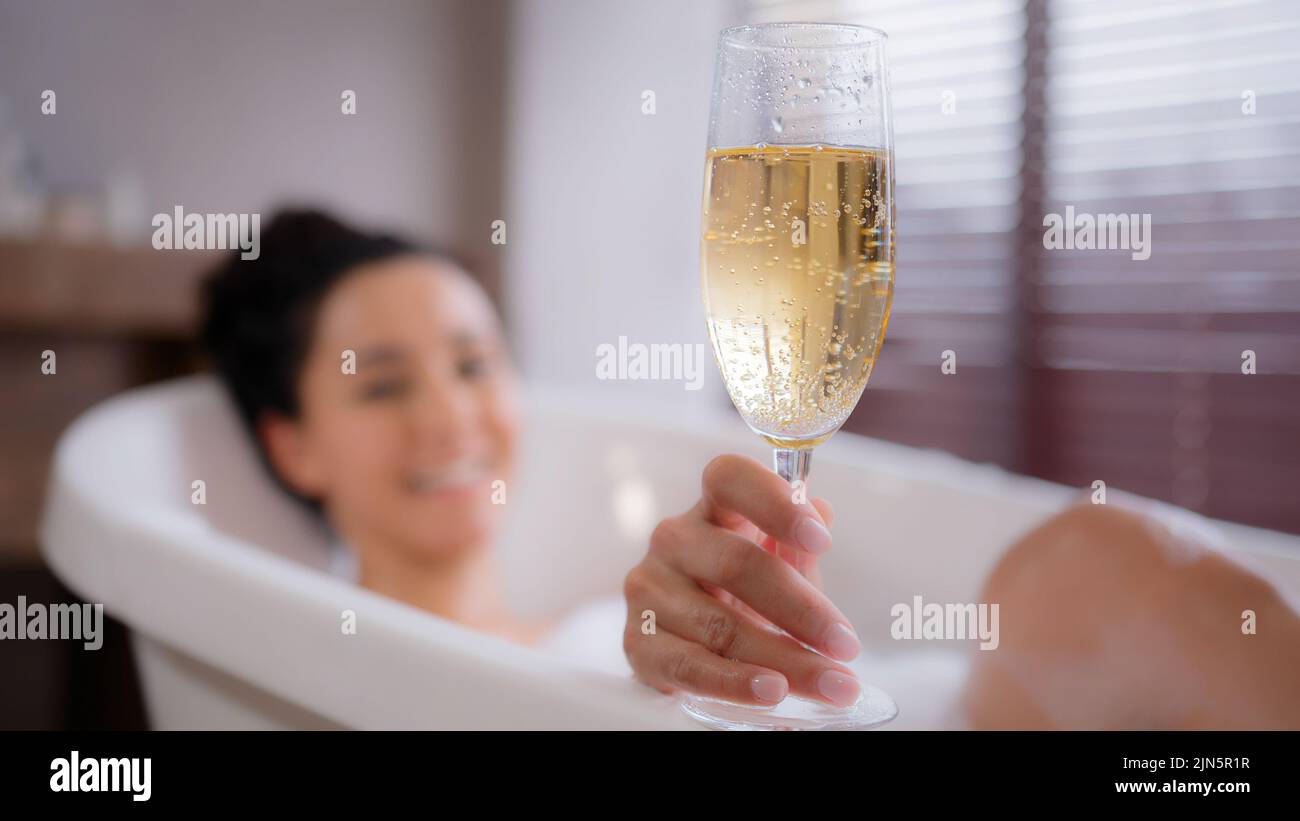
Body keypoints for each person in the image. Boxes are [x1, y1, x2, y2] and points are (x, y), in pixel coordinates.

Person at [201, 210, 1300, 728]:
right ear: (290, 441)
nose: (449, 416)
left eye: (474, 363)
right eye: (383, 382)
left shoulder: (609, 617)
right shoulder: (298, 672)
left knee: (1085, 565)